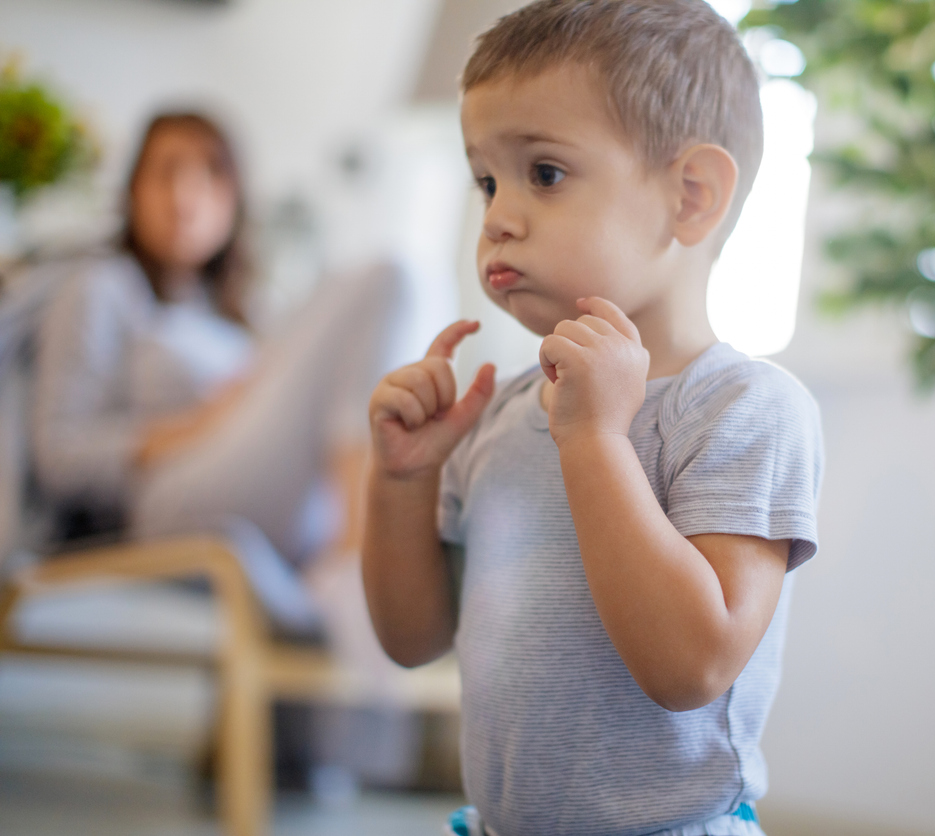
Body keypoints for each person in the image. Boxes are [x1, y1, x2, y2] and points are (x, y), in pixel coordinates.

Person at [362, 1, 824, 833]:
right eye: (486, 180)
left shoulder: (745, 412)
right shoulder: (503, 417)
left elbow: (693, 663)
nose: (498, 214)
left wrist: (596, 439)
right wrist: (404, 477)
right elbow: (411, 637)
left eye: (544, 172)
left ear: (691, 197)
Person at [32, 111, 406, 637]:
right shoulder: (103, 288)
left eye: (210, 174)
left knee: (396, 289)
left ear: (235, 201)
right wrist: (202, 423)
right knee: (387, 279)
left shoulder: (246, 313)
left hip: (269, 500)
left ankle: (350, 563)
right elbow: (60, 457)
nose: (185, 195)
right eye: (165, 172)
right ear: (132, 190)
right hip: (165, 503)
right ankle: (359, 565)